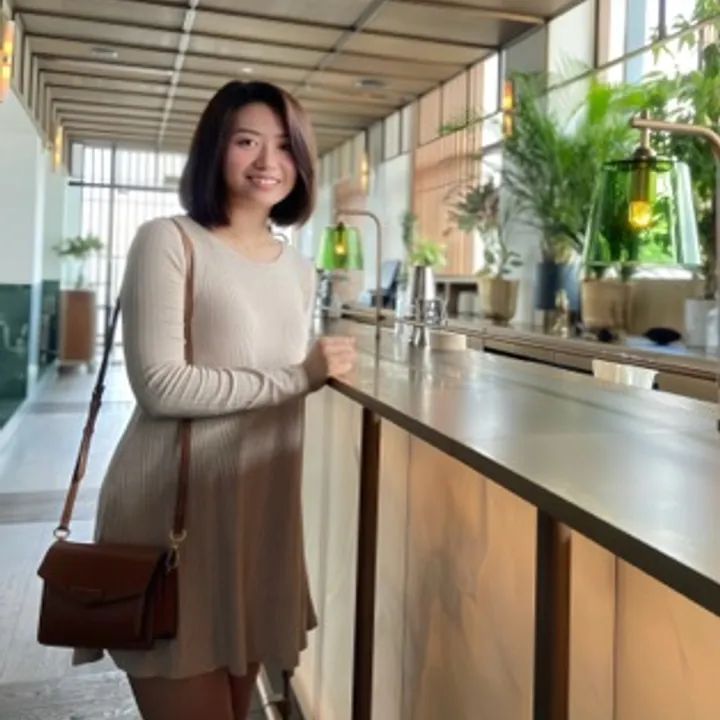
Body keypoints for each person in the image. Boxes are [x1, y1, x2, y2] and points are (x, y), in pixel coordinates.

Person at [72, 80, 357, 720]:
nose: (268, 161)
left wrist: (308, 372)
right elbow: (161, 385)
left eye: (284, 145)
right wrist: (299, 377)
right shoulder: (167, 240)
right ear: (214, 149)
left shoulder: (299, 268)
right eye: (246, 141)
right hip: (173, 521)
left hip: (257, 522)